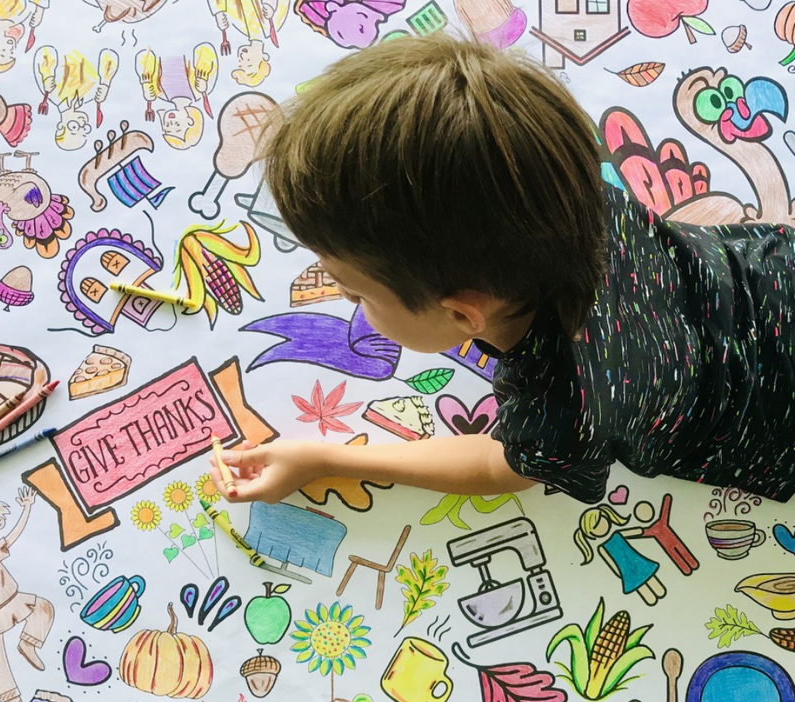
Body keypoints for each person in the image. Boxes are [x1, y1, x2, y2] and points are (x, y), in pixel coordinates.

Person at [208, 32, 795, 508]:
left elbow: (497, 465)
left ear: (464, 313)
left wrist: (327, 457)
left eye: (356, 293)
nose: (345, 304)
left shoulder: (561, 407)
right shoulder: (575, 189)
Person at [0, 487, 54, 702]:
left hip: (12, 601)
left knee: (43, 607)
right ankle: (9, 696)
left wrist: (27, 508)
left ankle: (29, 644)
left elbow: (15, 534)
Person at [573, 504, 666, 605]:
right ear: (591, 534)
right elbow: (611, 563)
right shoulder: (602, 548)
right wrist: (619, 573)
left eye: (602, 519)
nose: (602, 525)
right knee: (649, 598)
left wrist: (644, 530)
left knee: (660, 590)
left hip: (637, 560)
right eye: (596, 526)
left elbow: (634, 532)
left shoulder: (617, 534)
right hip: (625, 569)